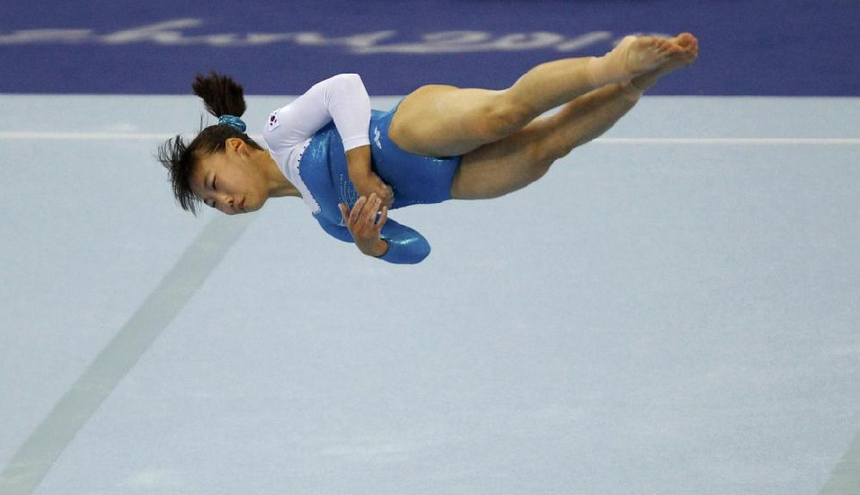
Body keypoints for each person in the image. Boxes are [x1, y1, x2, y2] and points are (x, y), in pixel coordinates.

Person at [158, 33, 698, 264]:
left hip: (405, 132)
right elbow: (418, 248)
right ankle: (644, 78)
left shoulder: (279, 133)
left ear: (235, 147)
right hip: (444, 184)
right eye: (211, 203)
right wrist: (372, 246)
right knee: (548, 148)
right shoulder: (328, 219)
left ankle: (615, 63)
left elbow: (344, 86)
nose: (223, 202)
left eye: (213, 184)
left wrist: (360, 168)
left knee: (505, 113)